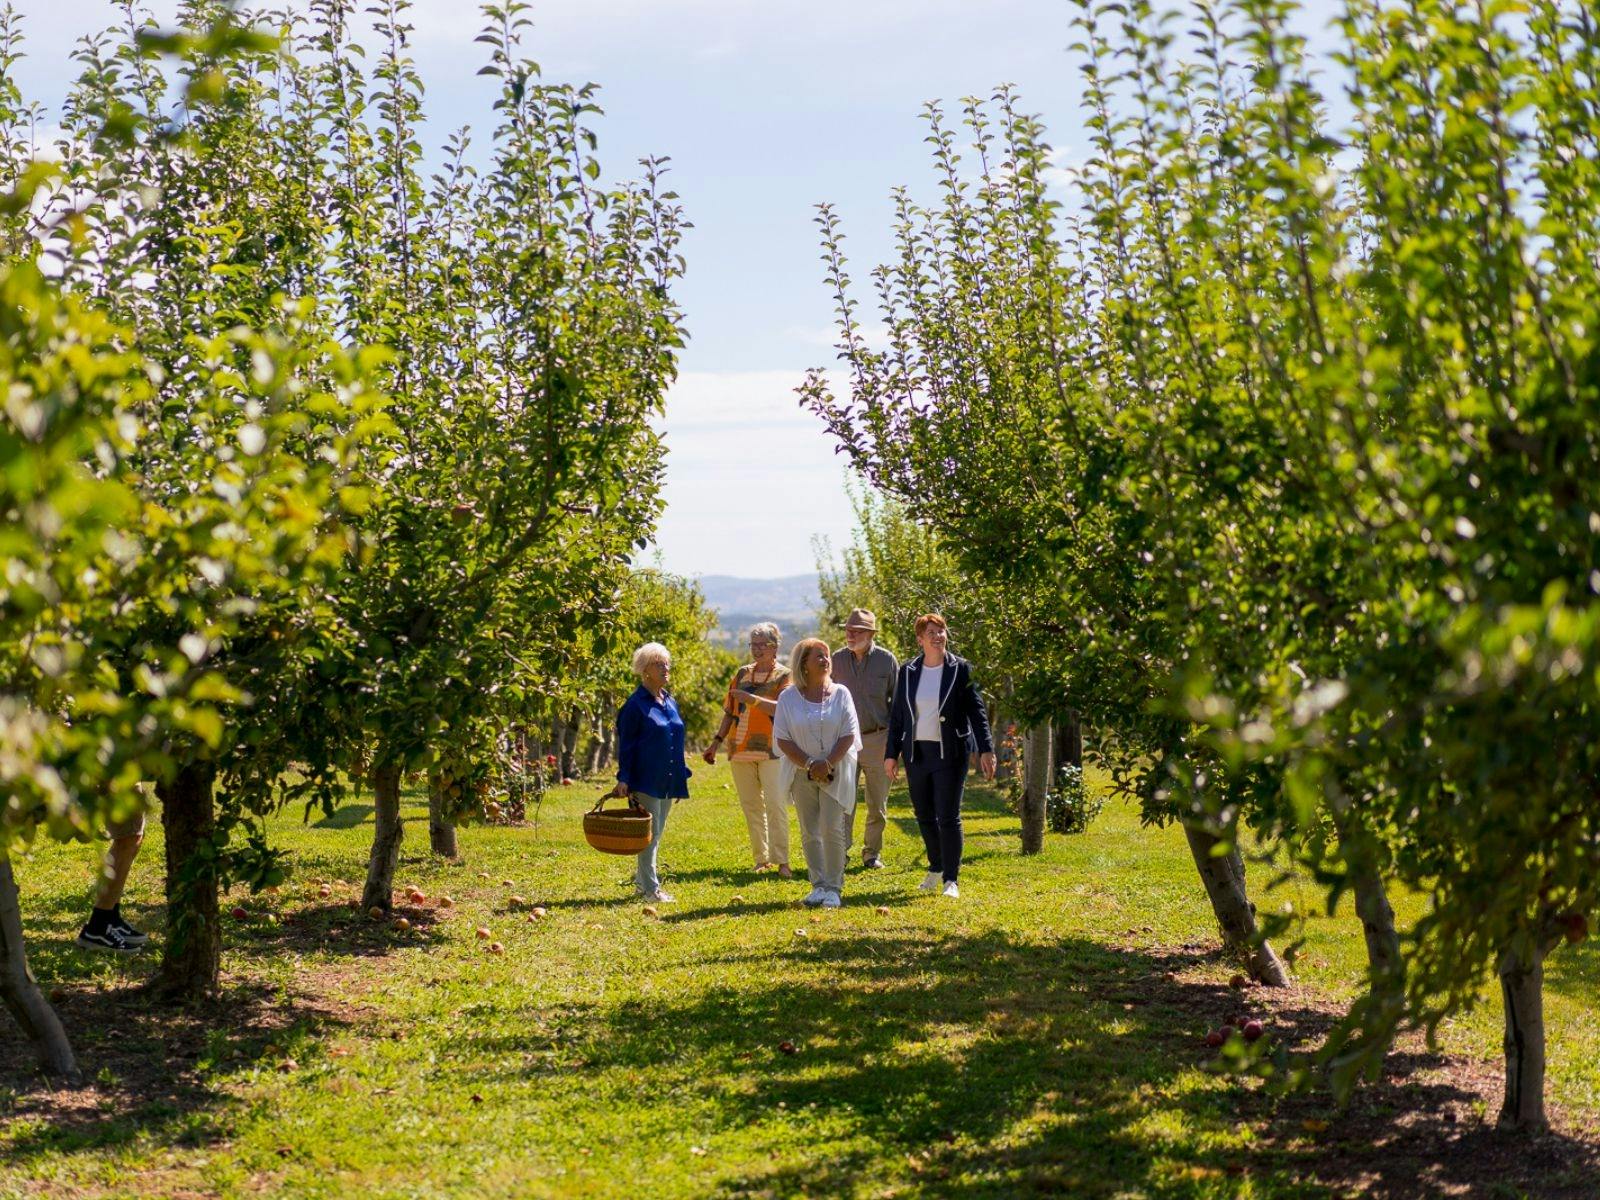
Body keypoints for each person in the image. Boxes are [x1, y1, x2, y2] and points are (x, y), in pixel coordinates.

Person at [884, 614, 996, 899]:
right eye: (930, 632)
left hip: (951, 752)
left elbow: (977, 711)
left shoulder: (960, 669)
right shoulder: (907, 670)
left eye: (941, 630)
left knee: (947, 816)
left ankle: (951, 879)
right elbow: (898, 715)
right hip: (916, 752)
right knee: (923, 814)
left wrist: (986, 748)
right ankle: (935, 867)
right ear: (920, 639)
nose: (937, 636)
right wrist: (891, 754)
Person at [772, 638, 861, 909]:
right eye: (818, 656)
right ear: (804, 665)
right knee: (810, 830)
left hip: (836, 770)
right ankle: (818, 885)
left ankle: (834, 887)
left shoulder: (841, 693)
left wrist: (828, 763)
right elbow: (782, 739)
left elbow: (849, 733)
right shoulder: (788, 697)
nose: (825, 660)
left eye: (826, 655)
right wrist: (811, 764)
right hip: (802, 772)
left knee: (833, 828)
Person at [704, 623, 793, 878]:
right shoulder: (742, 674)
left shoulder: (785, 676)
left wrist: (753, 700)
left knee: (776, 805)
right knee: (751, 805)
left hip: (772, 749)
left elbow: (782, 709)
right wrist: (716, 743)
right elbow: (730, 712)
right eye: (752, 645)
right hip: (739, 749)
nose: (756, 649)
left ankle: (782, 860)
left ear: (775, 647)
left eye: (761, 645)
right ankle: (761, 858)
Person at [612, 642, 691, 903]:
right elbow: (627, 745)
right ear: (645, 670)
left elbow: (674, 738)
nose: (666, 668)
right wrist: (624, 778)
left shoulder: (669, 700)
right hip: (645, 778)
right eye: (659, 664)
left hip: (667, 777)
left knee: (656, 832)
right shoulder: (635, 706)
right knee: (649, 835)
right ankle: (650, 889)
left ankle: (642, 883)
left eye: (667, 663)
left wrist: (680, 773)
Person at [830, 609, 897, 869]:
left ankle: (872, 854)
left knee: (877, 803)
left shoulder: (886, 660)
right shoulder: (836, 659)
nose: (850, 634)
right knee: (843, 800)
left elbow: (897, 703)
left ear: (870, 634)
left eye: (856, 630)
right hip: (844, 740)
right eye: (848, 629)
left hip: (878, 738)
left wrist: (894, 744)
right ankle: (841, 852)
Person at [75, 791, 151, 952]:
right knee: (129, 837)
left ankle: (110, 919)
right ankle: (98, 928)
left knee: (132, 837)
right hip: (113, 774)